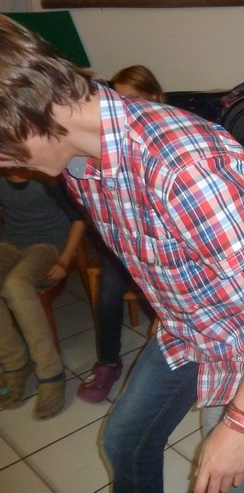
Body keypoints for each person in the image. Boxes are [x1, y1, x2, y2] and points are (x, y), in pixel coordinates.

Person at [0, 14, 244, 493]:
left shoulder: (178, 161)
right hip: (188, 325)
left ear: (30, 118)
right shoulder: (76, 158)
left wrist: (240, 422)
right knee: (124, 442)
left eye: (4, 150)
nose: (5, 164)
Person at [77, 65, 164, 404]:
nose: (123, 108)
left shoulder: (164, 139)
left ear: (154, 98)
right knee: (109, 291)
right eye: (117, 100)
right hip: (124, 240)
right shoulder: (106, 140)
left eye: (132, 99)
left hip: (162, 243)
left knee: (164, 293)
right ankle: (108, 362)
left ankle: (170, 357)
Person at [0, 168, 86, 420]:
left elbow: (79, 219)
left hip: (48, 244)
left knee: (15, 285)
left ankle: (51, 373)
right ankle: (14, 362)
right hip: (10, 242)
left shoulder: (46, 177)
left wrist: (64, 260)